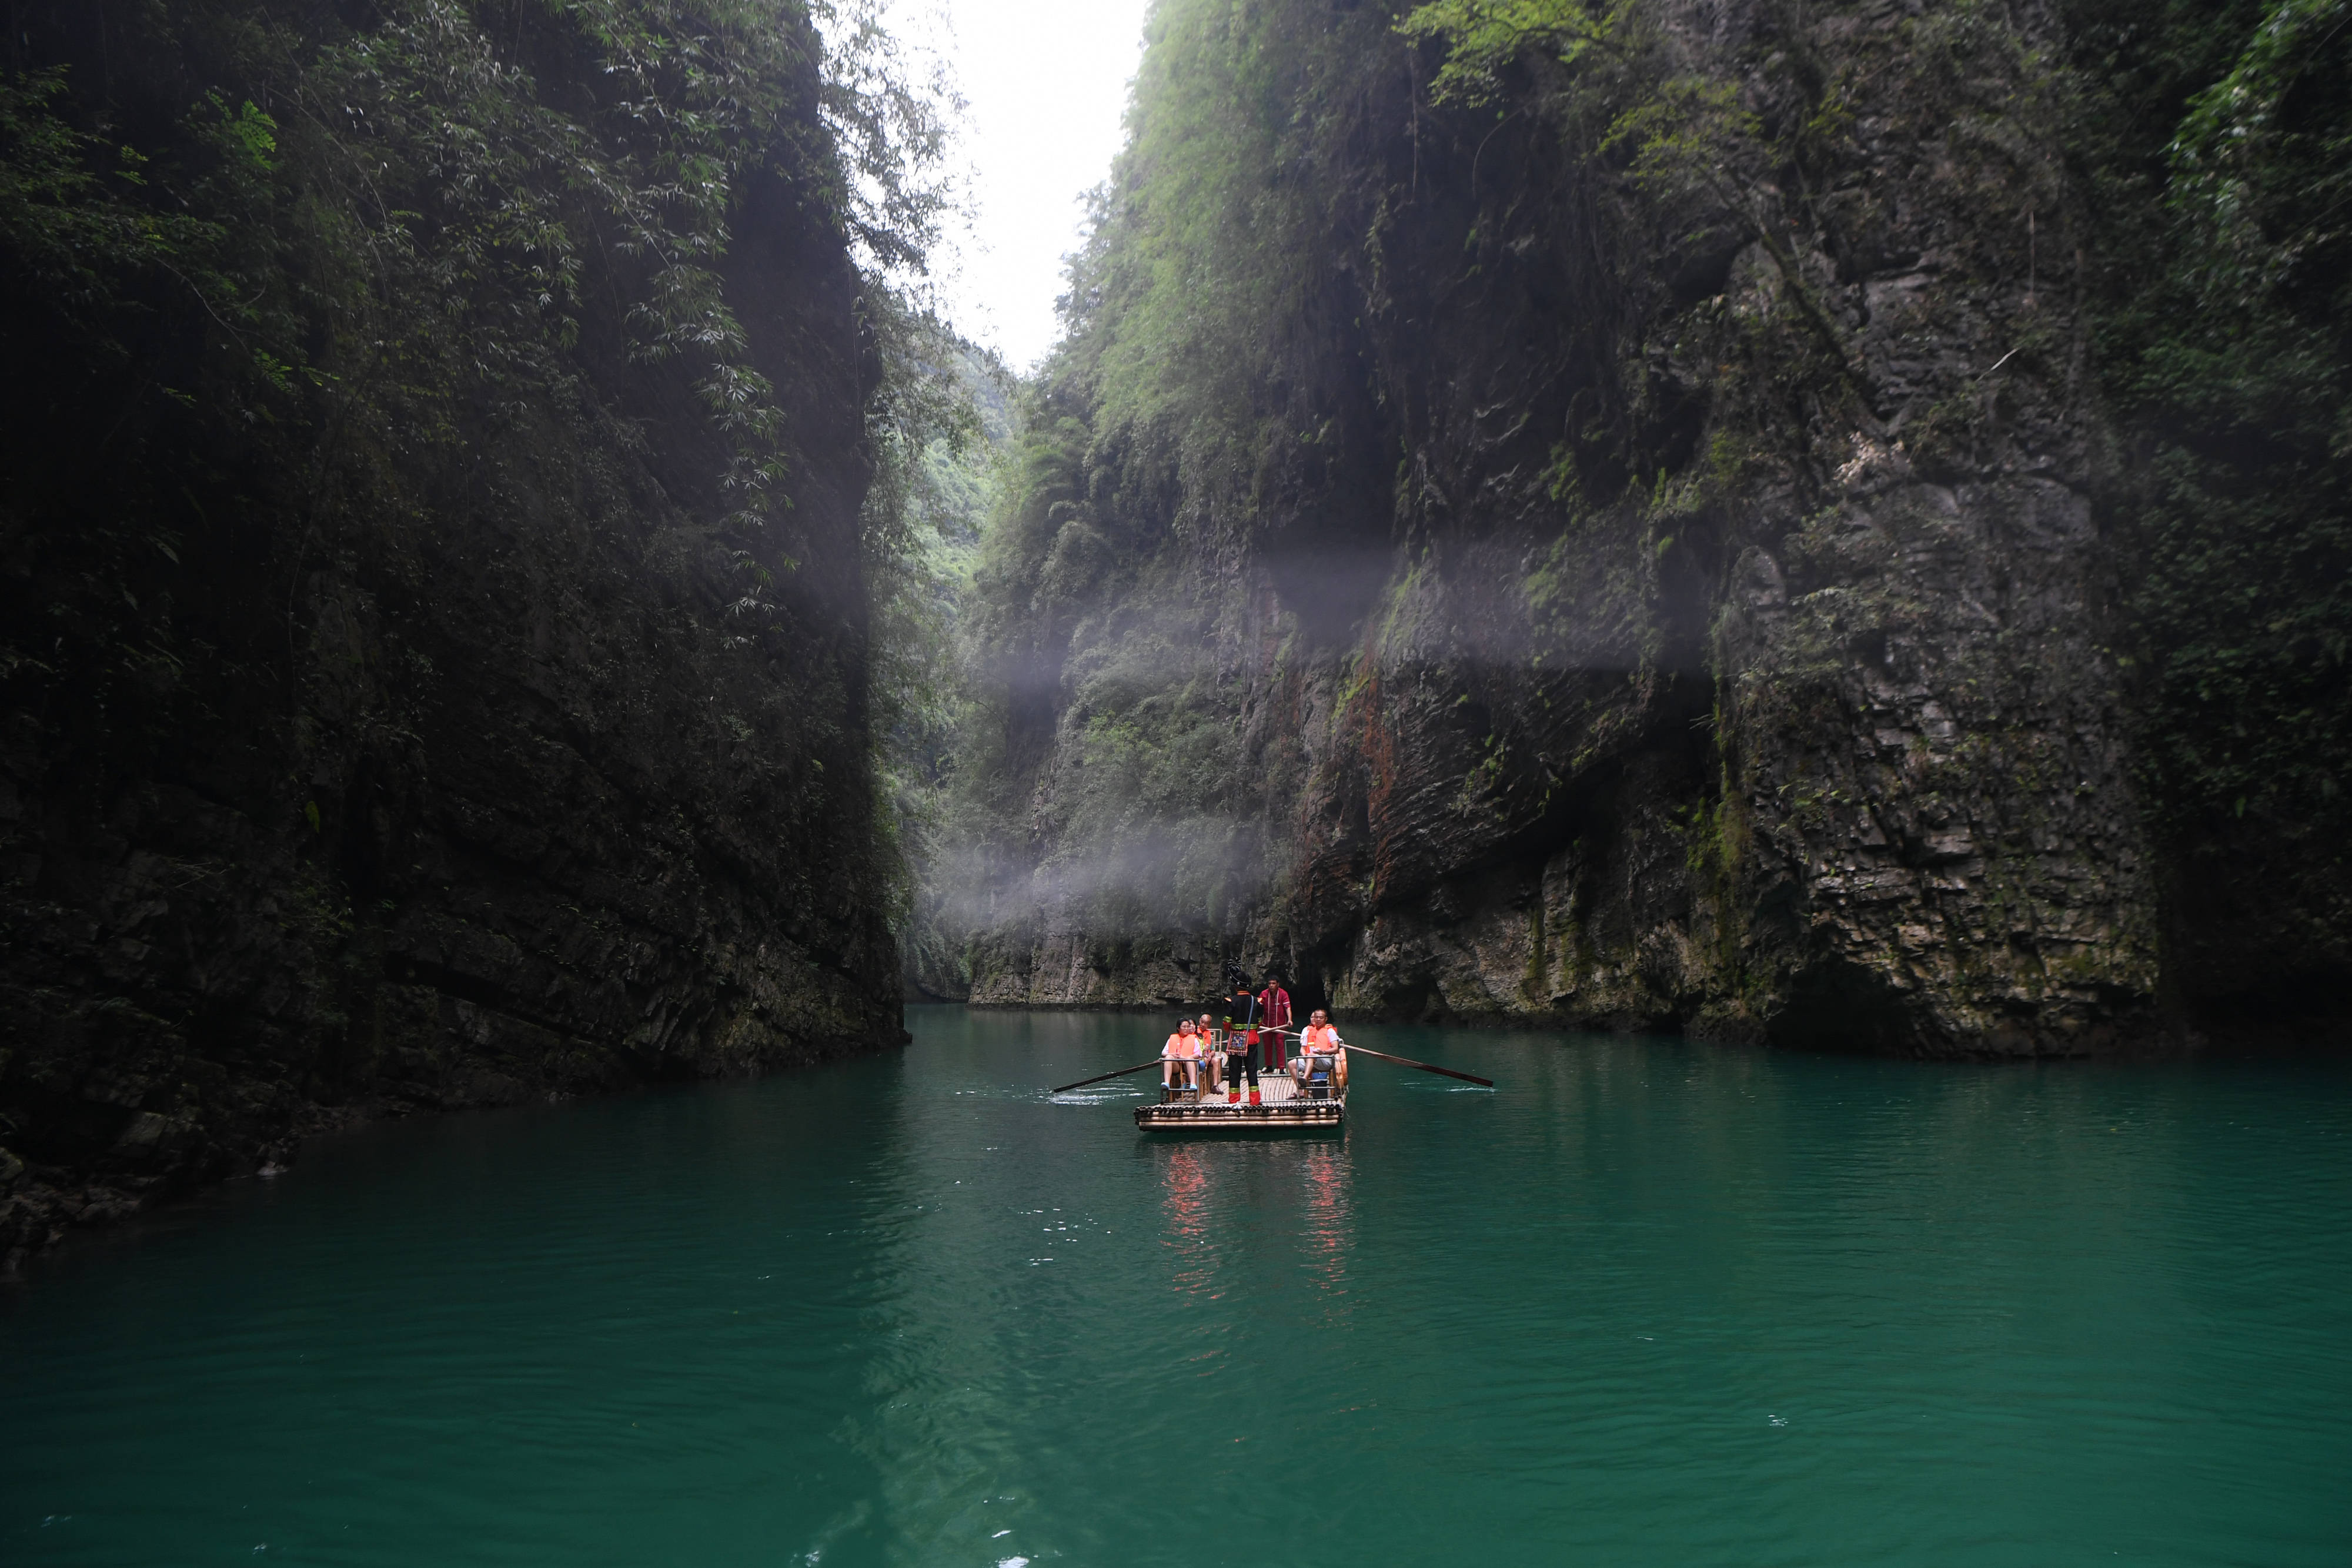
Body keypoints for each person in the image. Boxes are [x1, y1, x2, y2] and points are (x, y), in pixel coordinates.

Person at [1222, 984, 1261, 1104]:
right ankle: (1255, 1100)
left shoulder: (1231, 1001)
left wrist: (1230, 1029)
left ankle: (1234, 1100)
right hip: (1252, 1039)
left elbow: (1227, 1022)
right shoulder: (1257, 1001)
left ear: (1236, 987)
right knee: (1252, 1069)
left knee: (1234, 1070)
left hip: (1236, 1040)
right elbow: (1259, 1022)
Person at [1295, 1008, 1347, 1094]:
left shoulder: (1330, 1031)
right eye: (1316, 1017)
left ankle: (1304, 1078)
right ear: (1313, 1018)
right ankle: (1300, 1090)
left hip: (1325, 1060)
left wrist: (1323, 1052)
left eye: (1321, 1018)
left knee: (1311, 1056)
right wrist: (1304, 1056)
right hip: (1310, 1058)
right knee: (1292, 1064)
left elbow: (1335, 1049)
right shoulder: (1309, 1031)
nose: (1318, 1020)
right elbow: (1303, 1048)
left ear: (1325, 1019)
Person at [1257, 976, 1294, 1075]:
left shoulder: (1283, 994)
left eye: (1273, 983)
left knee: (1280, 1045)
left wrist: (1290, 1020)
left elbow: (1288, 1007)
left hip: (1280, 1025)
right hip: (1266, 1025)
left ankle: (1281, 1067)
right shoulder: (1264, 994)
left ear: (1278, 984)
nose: (1271, 986)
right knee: (1267, 1046)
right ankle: (1269, 1066)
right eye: (1270, 984)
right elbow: (1258, 1008)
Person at [1162, 1018, 1204, 1096]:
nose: (1187, 1029)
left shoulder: (1194, 1039)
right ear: (1178, 1028)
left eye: (1188, 1027)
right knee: (1168, 1057)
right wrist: (1172, 1055)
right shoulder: (1172, 1038)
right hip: (1177, 1065)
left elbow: (1198, 1054)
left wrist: (1184, 1058)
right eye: (1184, 1027)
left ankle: (1193, 1084)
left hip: (1189, 1064)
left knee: (1189, 1059)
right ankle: (1166, 1083)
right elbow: (1163, 1053)